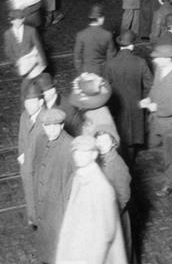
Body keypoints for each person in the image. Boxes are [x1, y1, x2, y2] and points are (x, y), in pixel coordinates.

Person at [55, 135, 127, 264]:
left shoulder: (102, 188)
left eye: (83, 153)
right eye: (76, 152)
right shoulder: (79, 177)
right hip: (78, 247)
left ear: (94, 154)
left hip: (92, 256)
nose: (78, 157)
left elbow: (104, 235)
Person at [141, 44, 172, 196]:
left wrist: (156, 108)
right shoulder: (161, 70)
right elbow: (155, 87)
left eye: (158, 58)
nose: (155, 60)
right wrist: (149, 99)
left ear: (168, 59)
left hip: (170, 125)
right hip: (157, 120)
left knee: (171, 154)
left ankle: (170, 183)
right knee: (157, 144)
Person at [29, 108, 73, 264]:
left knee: (59, 250)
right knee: (45, 245)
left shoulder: (70, 147)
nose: (51, 130)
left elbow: (73, 186)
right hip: (42, 204)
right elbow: (35, 170)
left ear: (62, 126)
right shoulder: (40, 139)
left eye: (56, 125)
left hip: (58, 210)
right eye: (48, 126)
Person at [104, 30, 153, 164]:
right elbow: (150, 84)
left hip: (117, 107)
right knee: (132, 137)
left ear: (120, 45)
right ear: (132, 46)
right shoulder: (140, 62)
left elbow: (105, 87)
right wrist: (143, 99)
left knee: (119, 134)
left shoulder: (111, 63)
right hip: (136, 106)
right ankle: (130, 162)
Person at [95, 125, 133, 262]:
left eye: (105, 141)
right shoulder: (99, 160)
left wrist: (111, 216)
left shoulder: (118, 165)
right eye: (98, 141)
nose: (101, 145)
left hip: (116, 216)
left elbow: (124, 196)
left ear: (113, 143)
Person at [17, 83, 44, 228]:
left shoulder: (47, 120)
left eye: (32, 102)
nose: (28, 105)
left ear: (41, 102)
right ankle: (32, 217)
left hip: (40, 168)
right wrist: (21, 156)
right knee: (29, 194)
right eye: (26, 102)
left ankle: (41, 221)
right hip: (26, 166)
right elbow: (21, 138)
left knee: (40, 196)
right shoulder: (24, 116)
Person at [3, 9, 47, 82]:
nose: (17, 22)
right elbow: (8, 50)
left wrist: (43, 62)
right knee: (25, 83)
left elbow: (38, 46)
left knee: (37, 81)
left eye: (20, 19)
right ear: (11, 21)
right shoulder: (7, 34)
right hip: (20, 64)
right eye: (15, 20)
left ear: (23, 19)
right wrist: (15, 60)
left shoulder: (31, 30)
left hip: (32, 61)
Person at [73, 4, 116, 76]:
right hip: (102, 71)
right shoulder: (107, 34)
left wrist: (81, 73)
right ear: (100, 18)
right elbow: (111, 57)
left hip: (86, 71)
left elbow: (77, 57)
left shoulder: (81, 35)